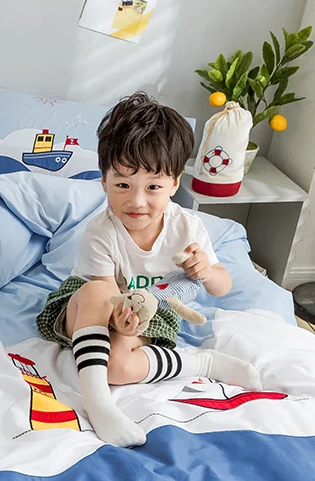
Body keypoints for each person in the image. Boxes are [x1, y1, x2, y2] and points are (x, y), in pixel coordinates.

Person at [36, 93, 260, 448]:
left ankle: (201, 363)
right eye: (123, 185)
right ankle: (98, 403)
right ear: (104, 181)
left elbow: (222, 286)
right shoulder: (102, 231)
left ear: (175, 183)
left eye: (153, 187)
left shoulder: (187, 227)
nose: (137, 201)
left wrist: (205, 270)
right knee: (95, 292)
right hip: (91, 308)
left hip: (151, 314)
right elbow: (106, 294)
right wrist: (119, 319)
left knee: (118, 367)